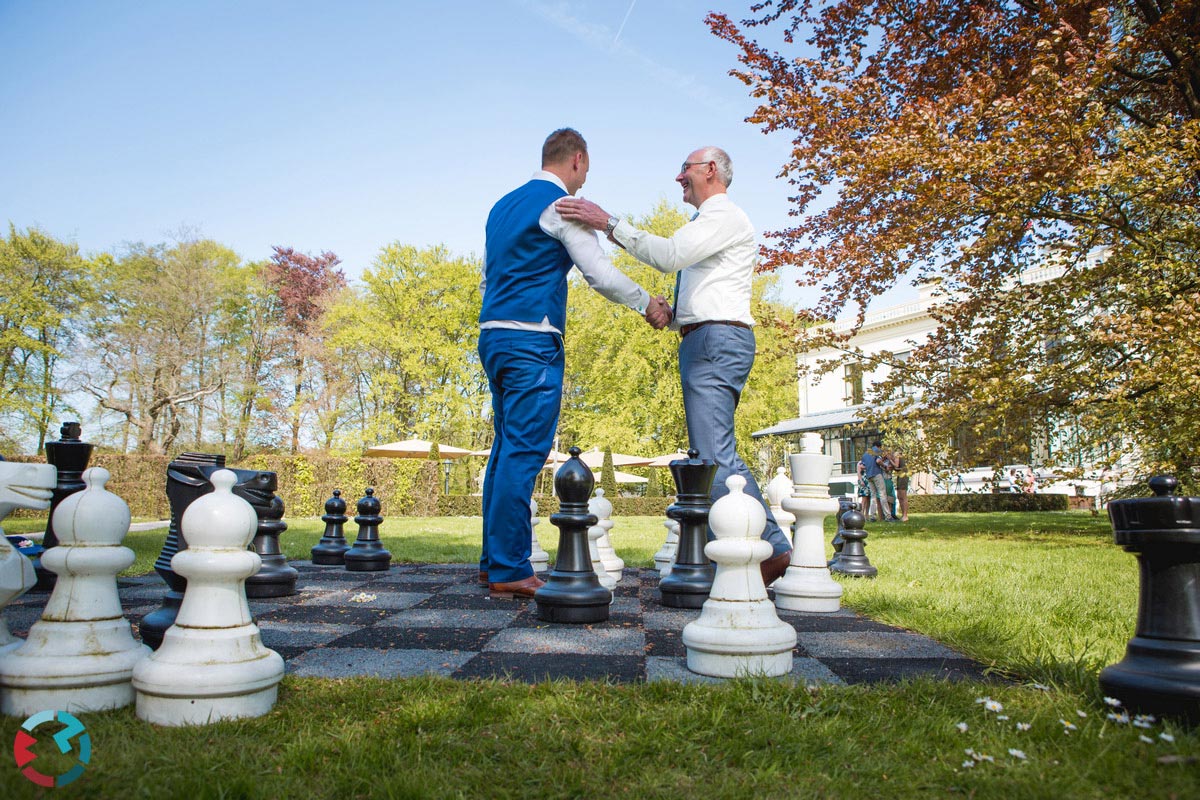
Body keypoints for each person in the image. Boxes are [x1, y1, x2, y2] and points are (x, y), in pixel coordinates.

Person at [556, 146, 793, 585]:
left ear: (709, 171)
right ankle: (763, 547)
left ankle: (774, 549)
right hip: (706, 337)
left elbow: (667, 255)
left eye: (685, 168)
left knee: (714, 455)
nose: (678, 177)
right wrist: (669, 315)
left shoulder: (723, 216)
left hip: (715, 341)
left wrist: (606, 221)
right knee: (713, 452)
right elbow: (702, 288)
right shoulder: (707, 224)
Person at [478, 128, 663, 599]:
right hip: (532, 341)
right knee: (523, 453)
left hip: (494, 336)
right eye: (587, 168)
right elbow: (598, 273)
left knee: (503, 451)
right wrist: (646, 303)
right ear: (577, 160)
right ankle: (509, 569)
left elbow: (495, 271)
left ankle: (493, 561)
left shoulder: (501, 206)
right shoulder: (563, 207)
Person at [858, 441, 895, 522]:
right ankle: (888, 516)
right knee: (882, 495)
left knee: (873, 496)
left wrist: (869, 467)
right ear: (879, 446)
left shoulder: (866, 453)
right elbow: (878, 461)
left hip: (869, 476)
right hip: (877, 474)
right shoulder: (876, 451)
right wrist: (884, 466)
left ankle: (873, 517)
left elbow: (861, 466)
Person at [890, 448, 909, 522]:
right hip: (900, 476)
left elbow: (896, 466)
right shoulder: (898, 456)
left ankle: (905, 515)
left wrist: (890, 460)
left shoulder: (897, 456)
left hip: (903, 476)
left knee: (903, 496)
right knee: (899, 496)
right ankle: (903, 515)